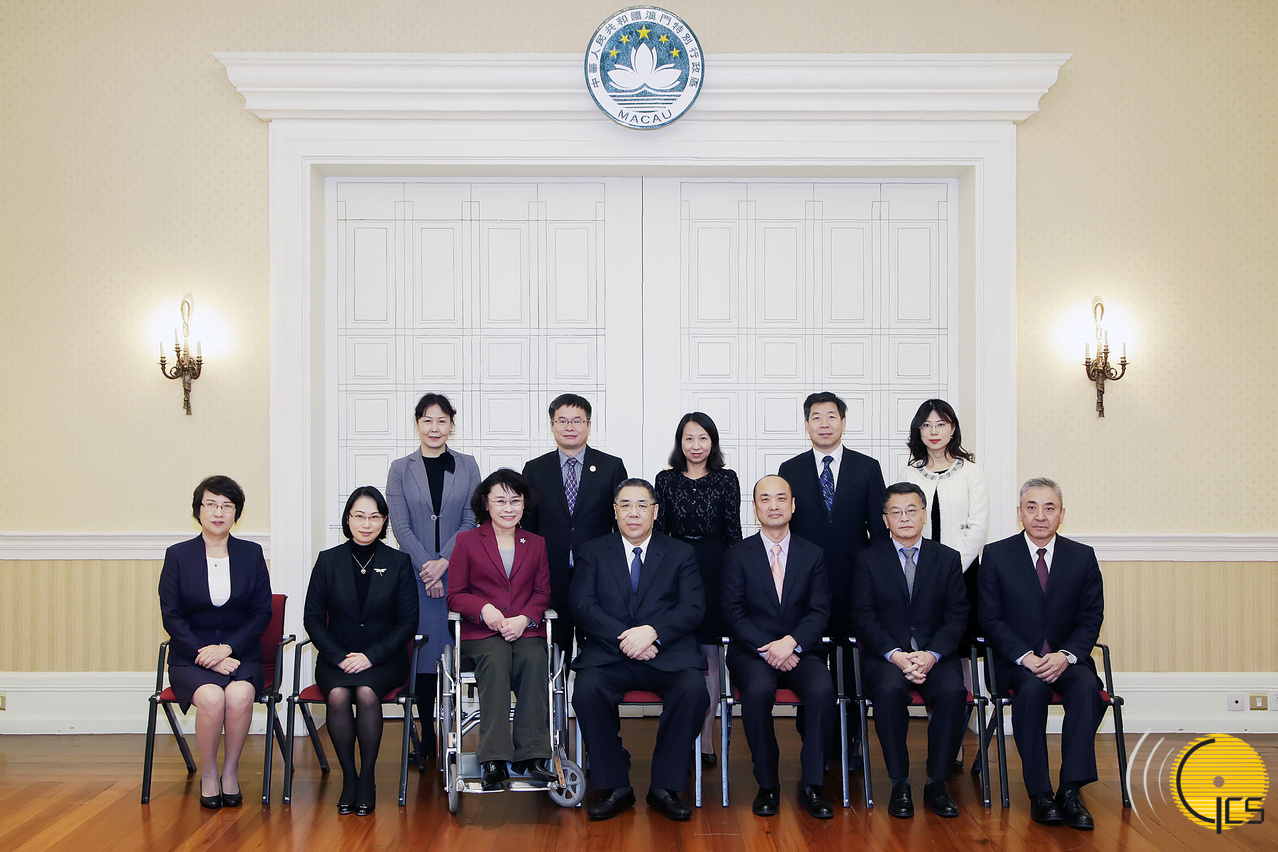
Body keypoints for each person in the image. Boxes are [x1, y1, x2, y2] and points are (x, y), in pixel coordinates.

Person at [569, 479, 709, 822]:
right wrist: (626, 639)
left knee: (693, 690)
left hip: (665, 652)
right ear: (615, 511)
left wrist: (652, 633)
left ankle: (665, 786)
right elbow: (582, 605)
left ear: (655, 512)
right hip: (610, 652)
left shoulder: (680, 553)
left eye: (642, 505)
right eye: (626, 505)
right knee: (587, 690)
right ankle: (614, 786)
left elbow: (693, 607)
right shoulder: (593, 551)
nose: (634, 513)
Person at [979, 478, 1104, 831]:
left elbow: (1091, 617)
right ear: (1019, 513)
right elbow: (990, 618)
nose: (1040, 516)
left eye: (1049, 508)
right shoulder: (997, 555)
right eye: (1032, 507)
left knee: (1087, 690)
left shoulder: (1082, 556)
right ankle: (1040, 793)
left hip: (1066, 659)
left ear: (1062, 515)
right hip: (1015, 662)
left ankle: (1070, 790)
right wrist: (1025, 657)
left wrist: (1066, 655)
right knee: (1031, 691)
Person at [850, 483, 969, 819]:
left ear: (924, 514)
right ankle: (899, 782)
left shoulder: (947, 558)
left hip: (935, 656)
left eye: (911, 510)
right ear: (885, 519)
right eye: (896, 512)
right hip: (887, 657)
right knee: (888, 692)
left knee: (953, 691)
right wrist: (895, 654)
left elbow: (957, 615)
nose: (904, 518)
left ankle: (937, 782)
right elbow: (862, 615)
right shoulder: (867, 559)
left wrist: (931, 655)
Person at [721, 475, 836, 819]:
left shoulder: (812, 554)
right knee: (757, 692)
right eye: (765, 499)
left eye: (781, 498)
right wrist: (767, 647)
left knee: (822, 690)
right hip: (752, 653)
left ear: (793, 505)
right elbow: (733, 612)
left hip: (802, 650)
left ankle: (813, 784)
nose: (774, 506)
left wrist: (791, 643)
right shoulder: (737, 555)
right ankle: (767, 784)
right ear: (755, 508)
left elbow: (819, 610)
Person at [158, 475, 272, 809]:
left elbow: (262, 613)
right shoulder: (178, 555)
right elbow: (171, 616)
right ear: (198, 510)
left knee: (239, 695)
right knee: (210, 698)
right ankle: (209, 774)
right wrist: (206, 654)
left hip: (240, 654)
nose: (218, 512)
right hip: (190, 656)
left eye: (227, 506)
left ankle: (230, 772)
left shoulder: (251, 554)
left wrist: (227, 649)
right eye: (211, 504)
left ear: (237, 513)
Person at [303, 486, 418, 815]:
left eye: (374, 517)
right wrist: (339, 657)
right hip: (336, 658)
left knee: (367, 693)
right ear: (348, 519)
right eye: (359, 516)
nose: (367, 524)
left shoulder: (398, 562)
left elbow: (407, 622)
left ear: (384, 521)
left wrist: (370, 657)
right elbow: (313, 619)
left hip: (384, 659)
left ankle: (367, 778)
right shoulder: (328, 561)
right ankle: (349, 778)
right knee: (338, 695)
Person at [446, 469, 554, 791]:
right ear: (486, 503)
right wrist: (484, 609)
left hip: (523, 631)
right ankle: (492, 759)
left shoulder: (536, 543)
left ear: (524, 504)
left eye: (515, 501)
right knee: (495, 659)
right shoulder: (467, 541)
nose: (508, 508)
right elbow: (455, 594)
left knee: (535, 659)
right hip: (481, 633)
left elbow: (542, 593)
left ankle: (532, 755)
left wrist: (525, 618)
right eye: (500, 501)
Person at [386, 392, 481, 752]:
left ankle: (452, 732)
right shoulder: (400, 468)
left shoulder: (468, 465)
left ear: (451, 425)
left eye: (442, 420)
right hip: (414, 576)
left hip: (458, 574)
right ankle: (427, 733)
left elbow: (471, 519)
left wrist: (444, 562)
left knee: (451, 653)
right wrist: (428, 567)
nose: (435, 427)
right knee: (423, 655)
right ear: (417, 424)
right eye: (427, 420)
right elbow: (400, 526)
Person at [897, 398, 988, 769]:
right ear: (918, 432)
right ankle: (939, 738)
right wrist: (927, 572)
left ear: (953, 429)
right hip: (915, 577)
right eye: (927, 425)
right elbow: (900, 522)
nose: (934, 431)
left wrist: (948, 569)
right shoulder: (910, 472)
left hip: (961, 575)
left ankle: (953, 739)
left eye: (941, 424)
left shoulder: (971, 472)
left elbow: (977, 528)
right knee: (923, 649)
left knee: (957, 654)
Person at [654, 411, 742, 768]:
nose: (696, 445)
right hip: (675, 567)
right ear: (680, 443)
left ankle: (706, 738)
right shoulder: (665, 480)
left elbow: (733, 532)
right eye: (689, 438)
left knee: (709, 654)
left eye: (703, 438)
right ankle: (679, 735)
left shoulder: (726, 479)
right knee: (675, 649)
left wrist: (739, 579)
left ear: (712, 442)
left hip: (715, 566)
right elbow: (658, 532)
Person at [777, 391, 888, 641]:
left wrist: (878, 575)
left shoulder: (867, 467)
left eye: (831, 416)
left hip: (855, 576)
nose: (824, 424)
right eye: (816, 418)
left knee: (851, 647)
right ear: (807, 425)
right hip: (804, 577)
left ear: (843, 422)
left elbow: (879, 529)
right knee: (805, 645)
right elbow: (783, 526)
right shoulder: (790, 469)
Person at [522, 393, 628, 654]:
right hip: (550, 575)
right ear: (552, 425)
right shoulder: (535, 469)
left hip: (598, 575)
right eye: (563, 421)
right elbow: (528, 527)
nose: (570, 427)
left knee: (597, 649)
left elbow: (622, 525)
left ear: (589, 425)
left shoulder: (611, 467)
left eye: (577, 421)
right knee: (553, 650)